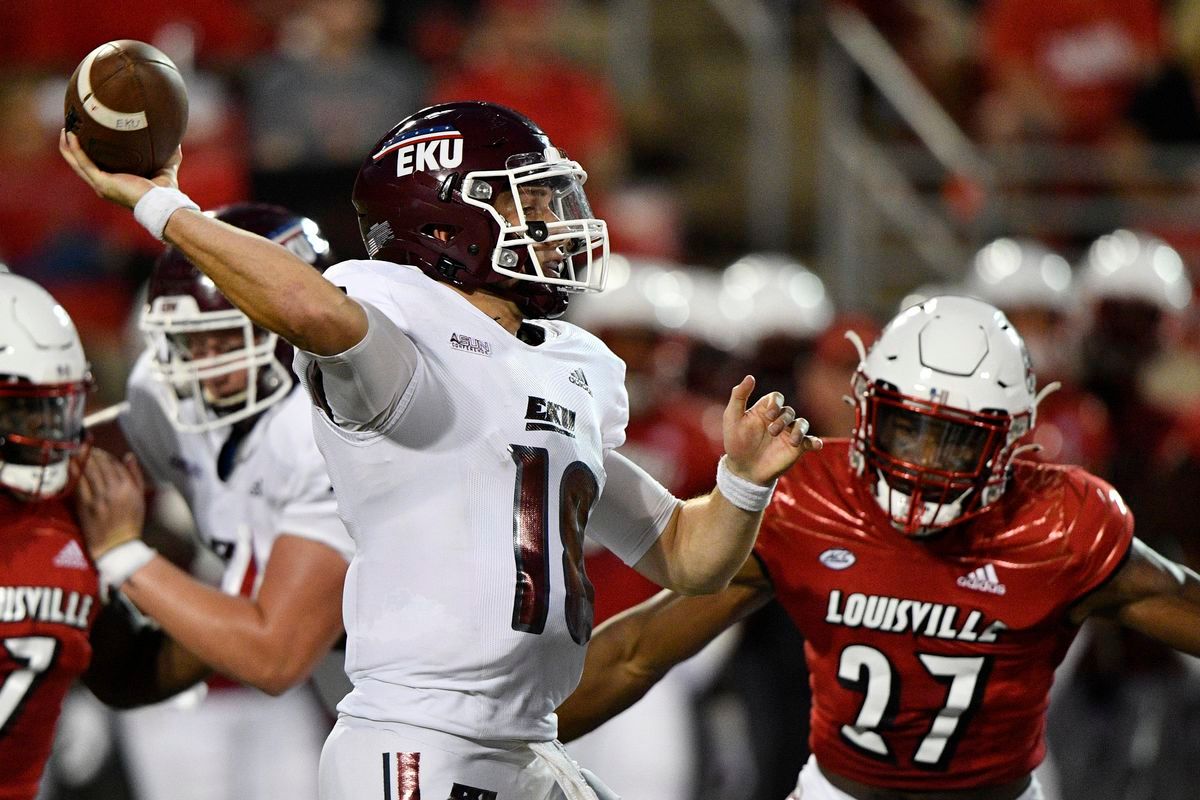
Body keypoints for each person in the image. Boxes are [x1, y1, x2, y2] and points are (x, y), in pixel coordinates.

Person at [60, 100, 819, 799]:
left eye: (554, 201)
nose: (556, 222)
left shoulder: (564, 366)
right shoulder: (399, 342)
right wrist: (164, 206)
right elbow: (315, 313)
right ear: (446, 222)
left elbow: (689, 558)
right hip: (419, 743)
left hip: (528, 741)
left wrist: (743, 485)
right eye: (529, 201)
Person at [556, 294, 1200, 800]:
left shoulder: (1058, 524)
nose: (919, 462)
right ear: (866, 410)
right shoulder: (812, 498)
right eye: (903, 429)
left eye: (950, 440)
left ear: (1010, 443)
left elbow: (1182, 603)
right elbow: (637, 651)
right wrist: (506, 734)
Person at [74, 203, 354, 800]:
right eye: (189, 344)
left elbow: (274, 656)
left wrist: (124, 556)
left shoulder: (327, 427)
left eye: (224, 338)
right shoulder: (161, 390)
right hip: (334, 676)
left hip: (435, 674)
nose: (204, 368)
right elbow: (100, 475)